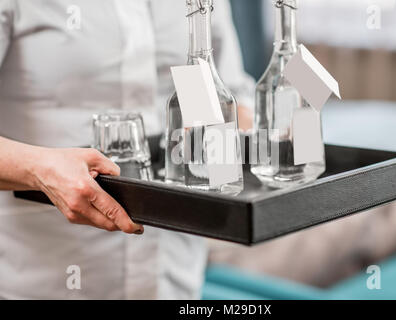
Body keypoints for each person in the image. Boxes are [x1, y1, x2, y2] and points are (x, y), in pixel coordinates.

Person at [0, 0, 254, 299]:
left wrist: (277, 124)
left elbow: (233, 92)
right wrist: (38, 169)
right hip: (46, 276)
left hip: (175, 276)